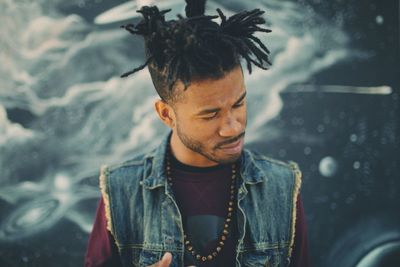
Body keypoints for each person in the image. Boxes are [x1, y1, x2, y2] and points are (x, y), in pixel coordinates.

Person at [85, 0, 309, 266]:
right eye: (210, 114)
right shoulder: (121, 191)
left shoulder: (281, 187)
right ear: (167, 115)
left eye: (239, 104)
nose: (234, 127)